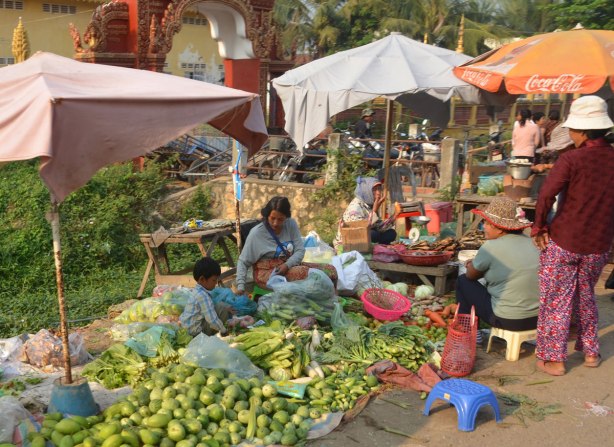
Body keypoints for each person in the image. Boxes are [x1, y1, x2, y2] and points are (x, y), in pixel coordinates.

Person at [531, 95, 614, 376]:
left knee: (556, 298)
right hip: (599, 244)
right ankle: (591, 352)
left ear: (580, 130)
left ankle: (554, 359)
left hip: (565, 240)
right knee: (586, 295)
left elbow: (545, 195)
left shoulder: (572, 159)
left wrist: (539, 227)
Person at [456, 196, 539, 331]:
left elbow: (471, 276)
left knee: (463, 281)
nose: (484, 227)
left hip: (506, 320)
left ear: (499, 228)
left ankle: (469, 332)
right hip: (537, 320)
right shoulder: (533, 242)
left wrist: (471, 265)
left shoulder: (491, 247)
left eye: (487, 223)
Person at [235, 196, 337, 295]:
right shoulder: (256, 233)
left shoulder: (290, 224)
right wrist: (240, 287)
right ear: (267, 216)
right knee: (305, 273)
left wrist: (287, 265)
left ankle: (330, 301)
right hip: (267, 274)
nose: (275, 223)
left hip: (288, 265)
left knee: (330, 270)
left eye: (280, 219)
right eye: (272, 218)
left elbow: (300, 250)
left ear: (286, 217)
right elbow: (243, 261)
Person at [334, 177, 398, 248]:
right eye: (374, 189)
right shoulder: (355, 208)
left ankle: (377, 247)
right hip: (348, 243)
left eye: (379, 189)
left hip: (364, 237)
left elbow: (379, 227)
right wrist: (374, 211)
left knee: (391, 233)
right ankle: (376, 247)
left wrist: (395, 215)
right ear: (366, 191)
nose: (378, 193)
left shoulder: (369, 204)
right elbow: (360, 230)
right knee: (373, 234)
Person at [180, 257, 235, 336]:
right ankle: (220, 335)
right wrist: (224, 330)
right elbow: (212, 320)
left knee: (221, 306)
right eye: (214, 280)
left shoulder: (197, 291)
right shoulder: (202, 296)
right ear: (202, 279)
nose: (216, 283)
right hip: (195, 333)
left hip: (187, 329)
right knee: (222, 309)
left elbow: (211, 306)